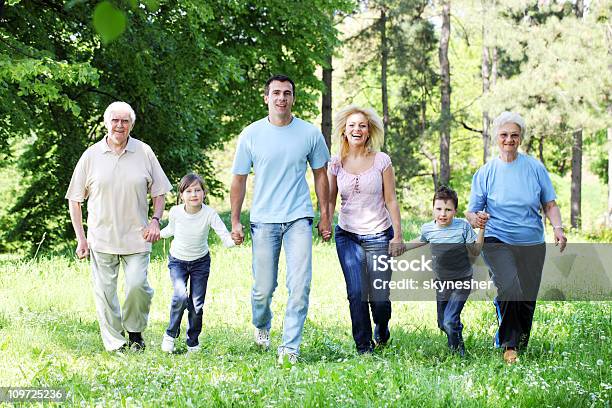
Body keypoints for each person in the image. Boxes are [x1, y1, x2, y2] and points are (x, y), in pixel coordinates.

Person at [230, 74, 332, 365]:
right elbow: (238, 179)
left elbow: (321, 175)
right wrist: (236, 221)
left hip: (299, 217)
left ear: (293, 98)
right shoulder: (251, 134)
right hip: (263, 220)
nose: (281, 98)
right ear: (266, 97)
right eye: (276, 93)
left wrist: (325, 215)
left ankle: (290, 347)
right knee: (263, 289)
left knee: (300, 284)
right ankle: (262, 325)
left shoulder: (310, 133)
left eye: (287, 93)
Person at [66, 101, 172, 352]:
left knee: (137, 286)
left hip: (137, 237)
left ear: (131, 125)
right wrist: (81, 239)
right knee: (105, 293)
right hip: (101, 237)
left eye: (125, 121)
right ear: (106, 123)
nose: (119, 125)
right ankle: (116, 343)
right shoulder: (90, 155)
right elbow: (74, 199)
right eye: (115, 120)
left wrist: (155, 220)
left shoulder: (144, 152)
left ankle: (135, 332)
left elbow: (159, 192)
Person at [465, 111, 567, 364]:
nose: (508, 139)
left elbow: (550, 204)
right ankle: (510, 345)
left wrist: (558, 228)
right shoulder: (486, 172)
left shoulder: (535, 168)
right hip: (497, 239)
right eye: (504, 135)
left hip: (531, 241)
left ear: (520, 138)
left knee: (527, 295)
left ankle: (519, 342)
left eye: (514, 135)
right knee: (510, 287)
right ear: (496, 138)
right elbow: (471, 210)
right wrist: (474, 218)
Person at [327, 105, 405, 354]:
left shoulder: (382, 161)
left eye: (362, 125)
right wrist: (326, 221)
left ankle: (381, 328)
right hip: (347, 235)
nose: (357, 129)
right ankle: (363, 347)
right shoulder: (336, 163)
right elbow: (329, 199)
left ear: (369, 131)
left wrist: (398, 235)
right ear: (344, 131)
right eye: (352, 125)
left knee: (380, 298)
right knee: (356, 292)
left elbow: (391, 199)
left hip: (380, 234)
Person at [159, 173, 236, 353]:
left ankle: (192, 341)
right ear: (182, 195)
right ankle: (171, 334)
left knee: (196, 304)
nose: (193, 194)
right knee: (180, 296)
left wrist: (233, 241)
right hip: (177, 261)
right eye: (189, 191)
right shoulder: (176, 212)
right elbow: (171, 229)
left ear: (204, 193)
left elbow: (223, 234)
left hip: (200, 263)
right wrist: (155, 234)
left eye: (197, 190)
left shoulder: (209, 213)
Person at [407, 186, 486, 356]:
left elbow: (476, 250)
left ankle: (458, 355)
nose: (443, 213)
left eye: (448, 209)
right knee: (443, 323)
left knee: (449, 321)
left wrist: (482, 229)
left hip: (462, 281)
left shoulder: (462, 227)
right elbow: (420, 240)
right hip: (441, 283)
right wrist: (399, 247)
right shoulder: (429, 229)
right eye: (439, 209)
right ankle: (455, 329)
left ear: (455, 211)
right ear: (433, 209)